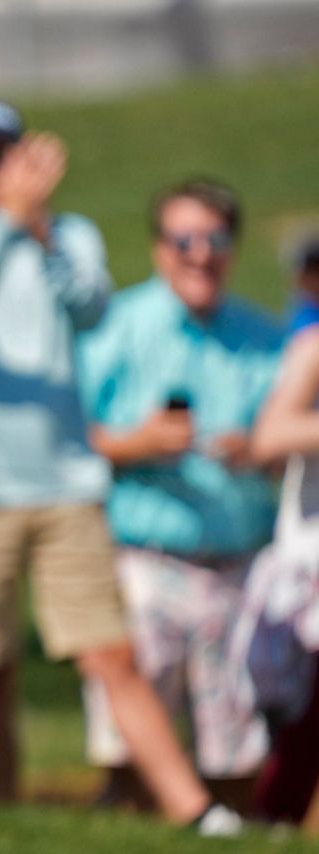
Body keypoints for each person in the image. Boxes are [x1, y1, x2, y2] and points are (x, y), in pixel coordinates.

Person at [0, 98, 239, 833]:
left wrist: (37, 230)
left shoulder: (67, 233)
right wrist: (8, 226)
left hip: (67, 484)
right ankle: (5, 810)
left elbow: (90, 311)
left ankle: (195, 810)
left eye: (4, 151)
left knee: (108, 653)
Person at [78, 178, 281, 815]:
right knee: (129, 748)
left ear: (233, 248)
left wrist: (260, 449)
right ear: (160, 248)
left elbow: (296, 432)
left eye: (215, 239)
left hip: (239, 565)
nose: (201, 253)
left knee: (237, 746)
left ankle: (227, 828)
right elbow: (70, 436)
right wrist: (138, 443)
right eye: (184, 239)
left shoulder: (264, 336)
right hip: (146, 560)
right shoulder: (116, 326)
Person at [236, 323, 319, 825]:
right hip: (311, 559)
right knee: (305, 719)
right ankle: (276, 816)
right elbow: (270, 436)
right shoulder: (313, 348)